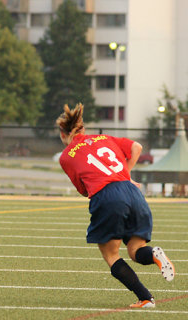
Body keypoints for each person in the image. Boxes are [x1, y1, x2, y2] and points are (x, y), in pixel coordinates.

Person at [56, 103, 175, 308]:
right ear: (83, 129)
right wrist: (125, 176)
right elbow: (137, 147)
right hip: (132, 192)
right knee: (136, 249)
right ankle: (154, 254)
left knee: (111, 255)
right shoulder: (105, 138)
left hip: (107, 195)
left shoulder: (66, 156)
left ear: (62, 133)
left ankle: (146, 298)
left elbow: (84, 190)